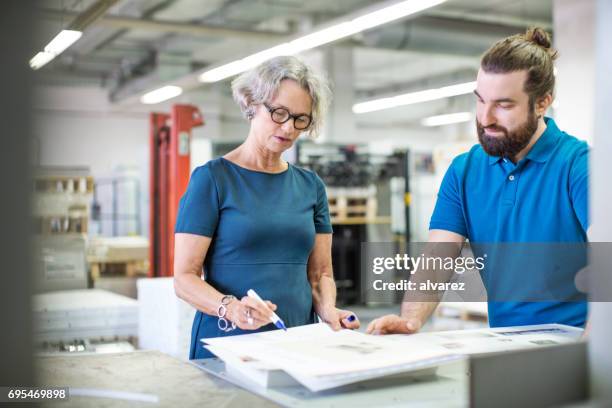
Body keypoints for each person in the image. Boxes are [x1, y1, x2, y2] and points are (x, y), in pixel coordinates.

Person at [367, 27, 589, 335]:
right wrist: (411, 319)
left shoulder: (579, 165)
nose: (486, 118)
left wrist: (592, 357)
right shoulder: (464, 170)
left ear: (542, 103)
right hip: (505, 345)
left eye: (504, 104)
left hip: (576, 340)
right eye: (481, 101)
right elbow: (437, 258)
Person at [173, 56, 360, 359]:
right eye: (279, 113)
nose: (288, 127)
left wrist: (328, 309)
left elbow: (320, 273)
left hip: (297, 339)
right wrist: (231, 308)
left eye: (300, 119)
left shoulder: (311, 186)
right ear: (252, 104)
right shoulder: (212, 179)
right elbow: (184, 278)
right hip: (228, 342)